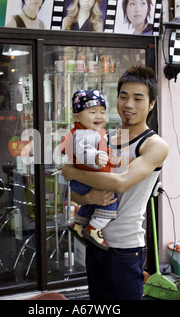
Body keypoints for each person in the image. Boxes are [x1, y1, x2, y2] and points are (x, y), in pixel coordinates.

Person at [60, 65, 168, 300]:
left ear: (151, 104)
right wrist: (87, 198)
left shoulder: (154, 145)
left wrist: (72, 172)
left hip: (126, 248)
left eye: (138, 98)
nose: (128, 104)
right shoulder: (103, 138)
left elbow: (120, 183)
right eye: (123, 96)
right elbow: (70, 193)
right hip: (94, 243)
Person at [61, 89, 117, 250]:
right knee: (110, 202)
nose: (99, 116)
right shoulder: (83, 134)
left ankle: (79, 224)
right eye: (92, 112)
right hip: (87, 178)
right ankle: (94, 229)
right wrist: (96, 156)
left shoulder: (89, 132)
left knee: (91, 205)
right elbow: (82, 151)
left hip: (83, 180)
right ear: (77, 117)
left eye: (102, 112)